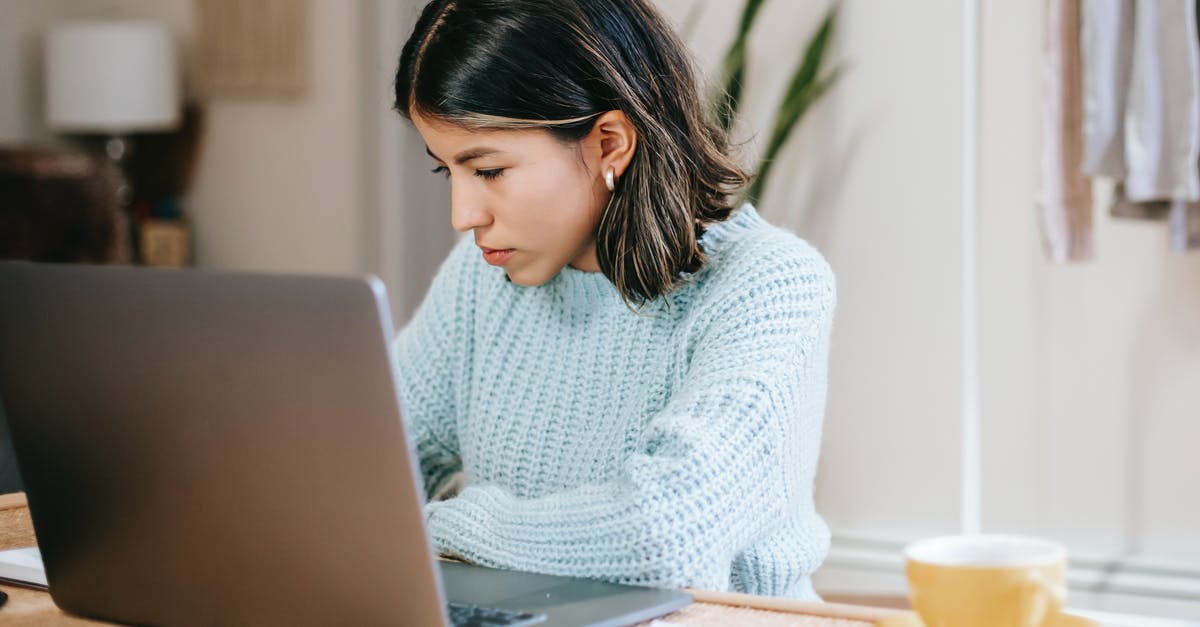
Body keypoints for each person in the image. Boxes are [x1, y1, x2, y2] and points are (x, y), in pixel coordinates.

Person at [391, 0, 836, 600]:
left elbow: (666, 536)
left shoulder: (770, 285)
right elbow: (370, 474)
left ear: (609, 143)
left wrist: (440, 525)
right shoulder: (480, 280)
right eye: (449, 171)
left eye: (489, 170)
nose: (464, 216)